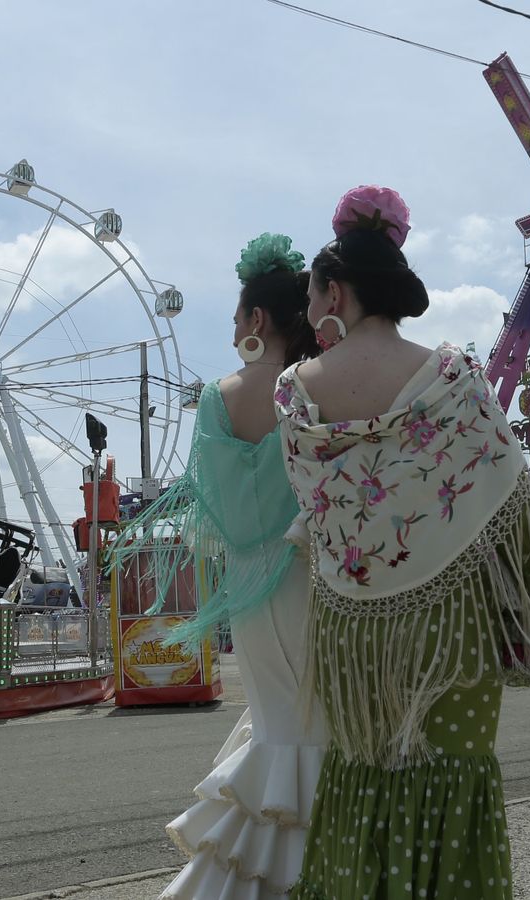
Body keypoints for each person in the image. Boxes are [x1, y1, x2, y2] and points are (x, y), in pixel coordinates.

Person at [274, 186, 530, 899]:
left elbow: (319, 512)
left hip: (351, 629)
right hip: (453, 621)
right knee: (455, 768)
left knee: (363, 768)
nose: (309, 308)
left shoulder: (295, 389)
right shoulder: (452, 374)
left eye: (312, 293)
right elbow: (507, 488)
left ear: (336, 291)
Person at [110, 232, 326, 899]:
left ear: (257, 318)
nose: (234, 333)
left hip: (252, 584)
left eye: (236, 319)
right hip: (315, 572)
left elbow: (213, 508)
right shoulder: (319, 386)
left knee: (276, 719)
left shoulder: (219, 397)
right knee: (325, 717)